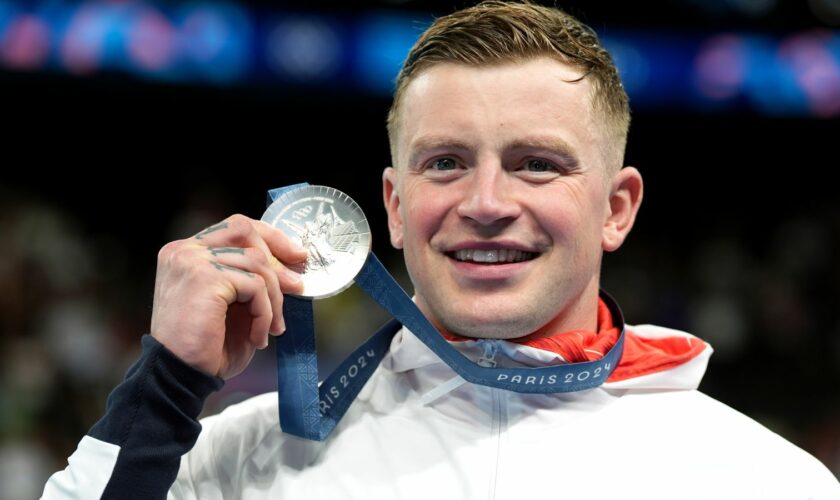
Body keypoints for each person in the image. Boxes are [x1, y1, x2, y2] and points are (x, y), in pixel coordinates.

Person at [42, 1, 840, 498]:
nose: (486, 204)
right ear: (394, 205)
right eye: (446, 163)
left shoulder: (763, 481)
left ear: (617, 208)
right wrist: (167, 386)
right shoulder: (239, 459)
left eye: (537, 164)